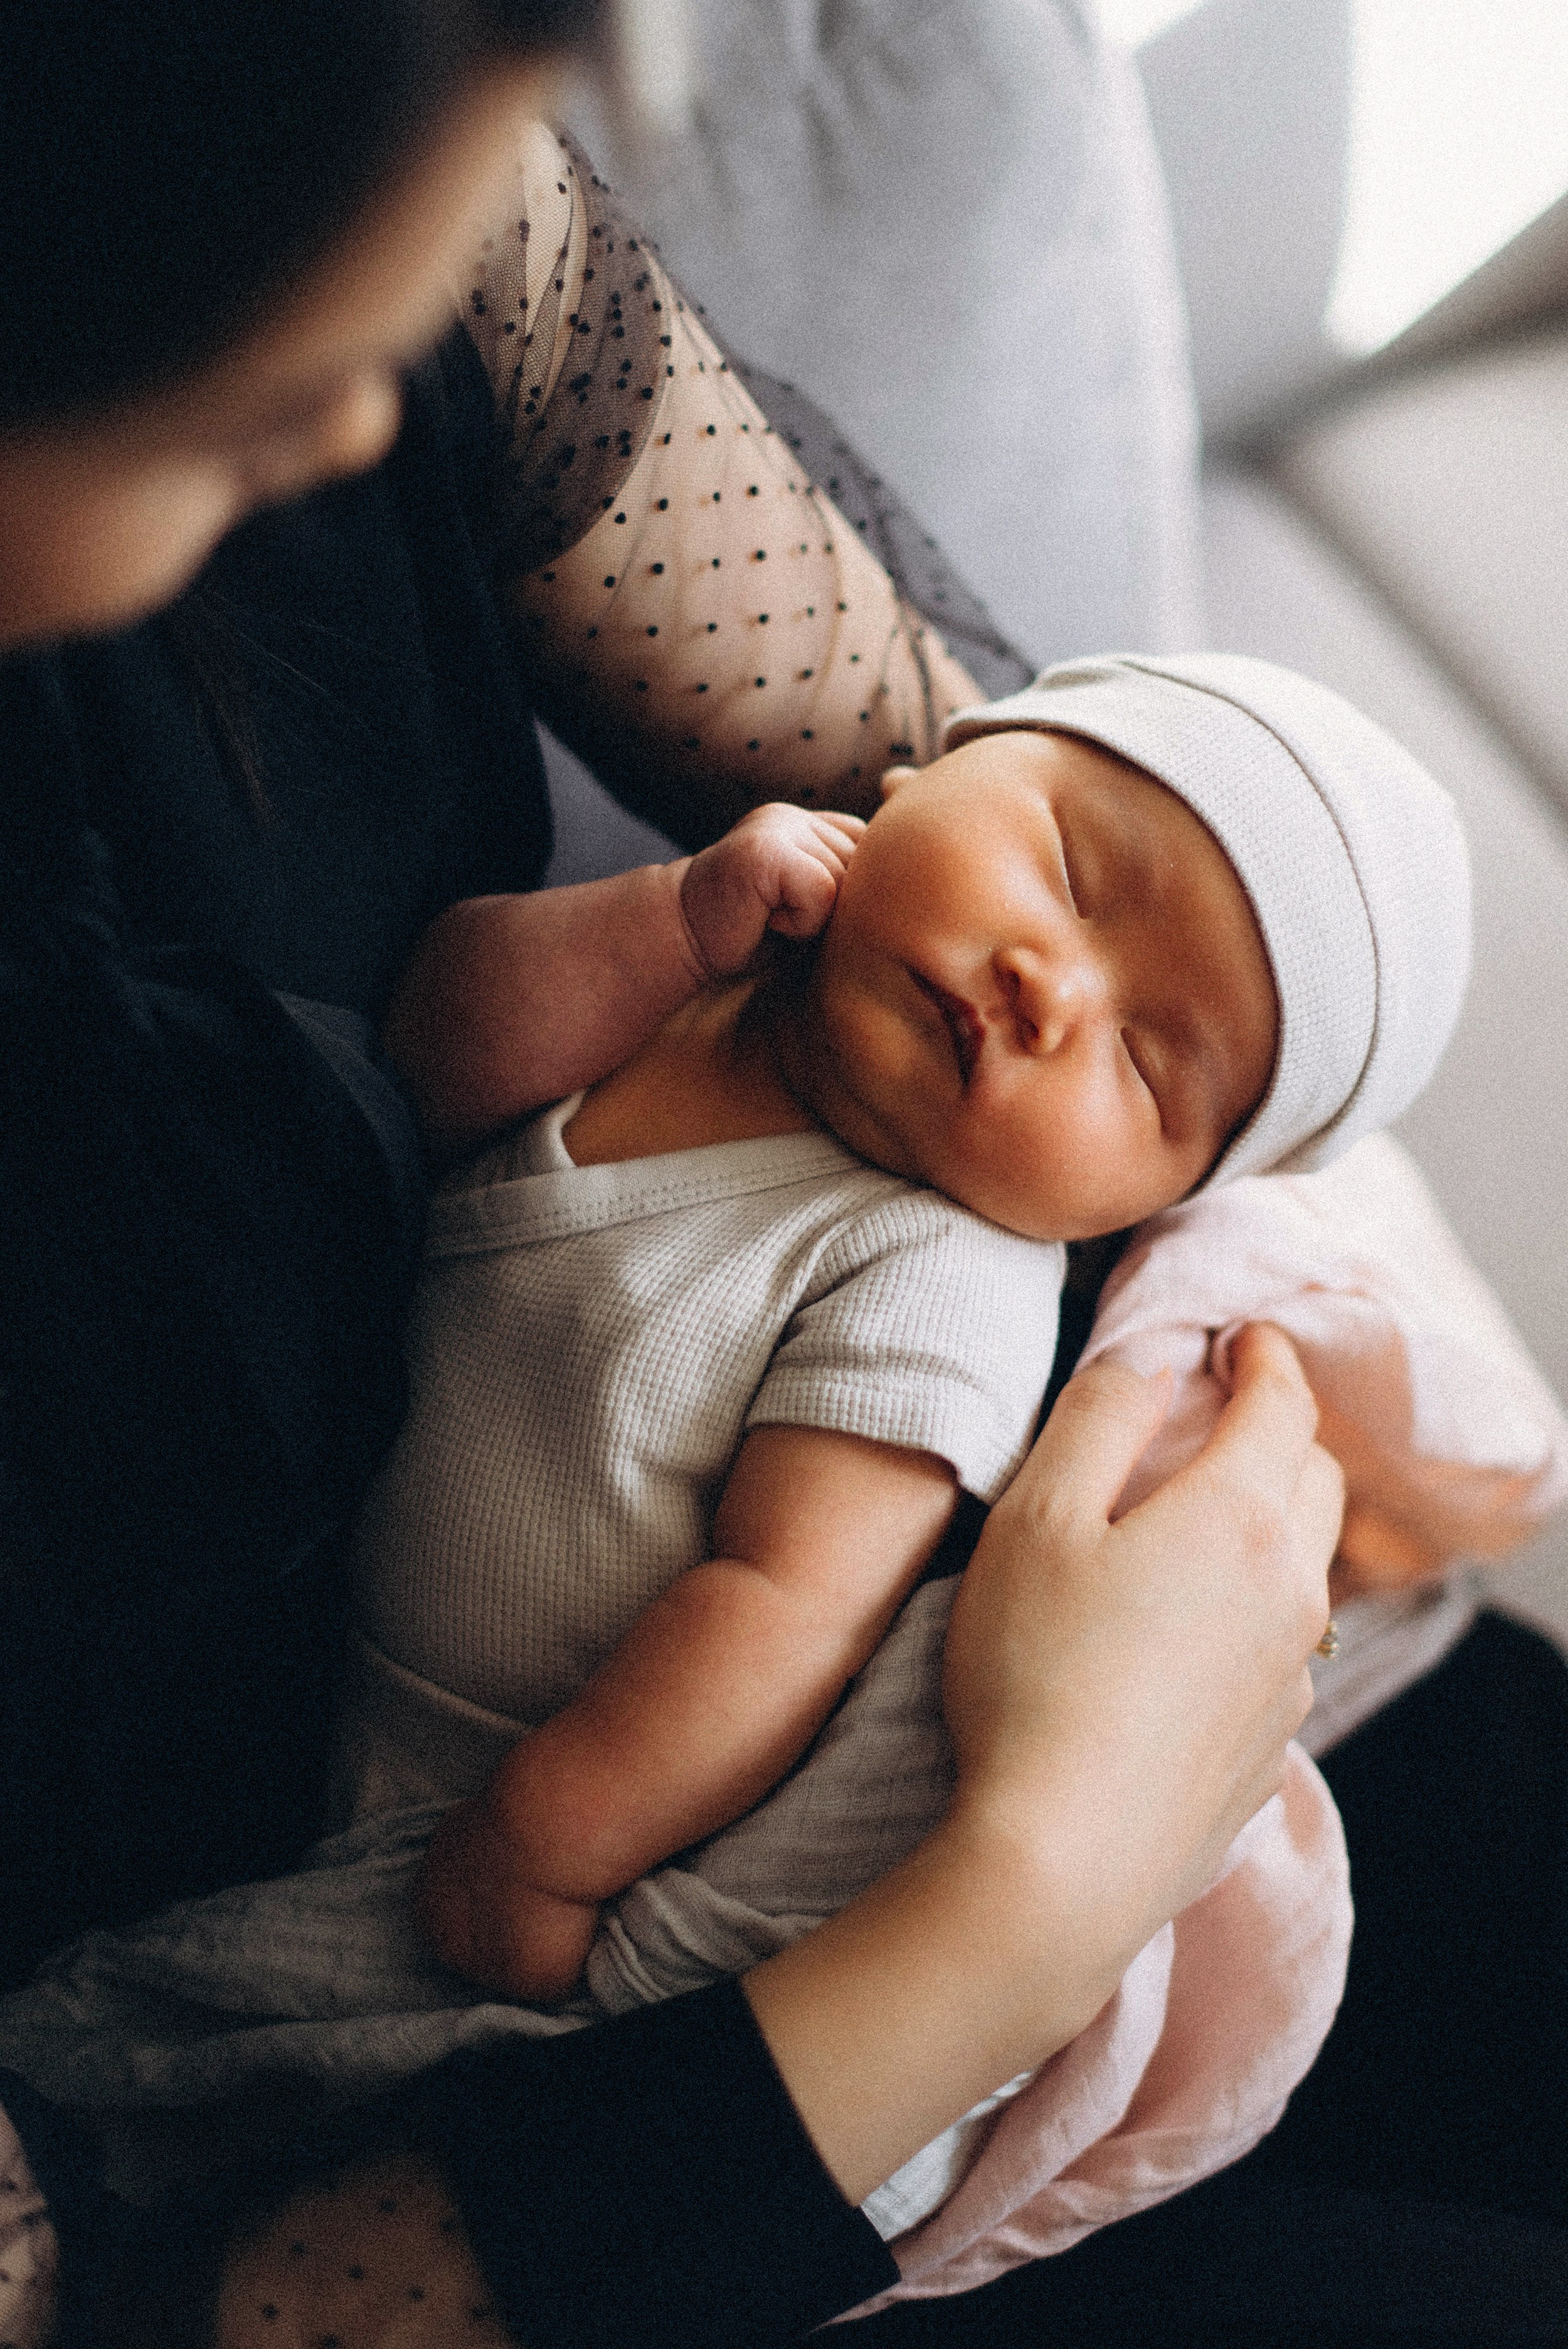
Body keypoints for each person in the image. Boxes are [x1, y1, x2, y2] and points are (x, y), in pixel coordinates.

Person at [0, 3, 1341, 2340]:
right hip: (489, 2029)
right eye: (267, 376)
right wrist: (1027, 1886)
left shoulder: (421, 239)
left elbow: (1071, 799)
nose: (356, 413)